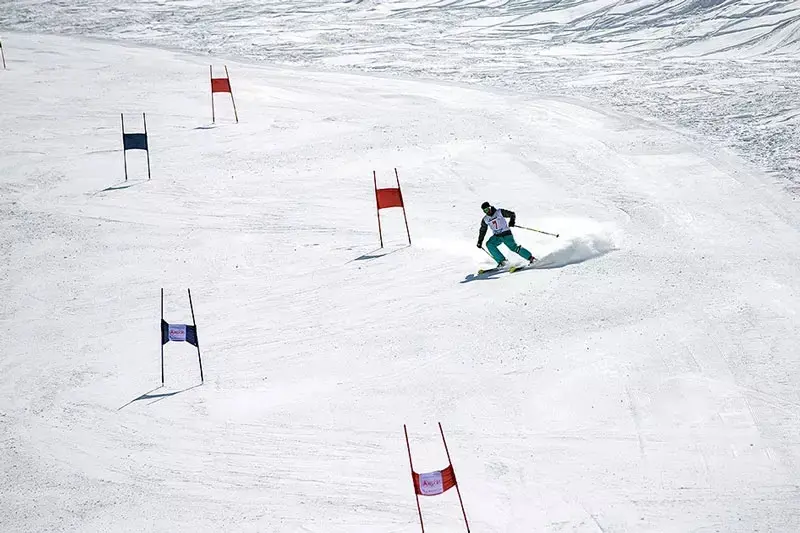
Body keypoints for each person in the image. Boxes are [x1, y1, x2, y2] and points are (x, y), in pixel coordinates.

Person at [477, 201, 536, 267]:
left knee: (514, 248)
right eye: (484, 211)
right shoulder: (485, 219)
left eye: (487, 209)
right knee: (489, 244)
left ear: (490, 207)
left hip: (506, 234)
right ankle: (502, 262)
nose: (487, 211)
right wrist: (480, 241)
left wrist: (512, 221)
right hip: (497, 236)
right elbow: (483, 230)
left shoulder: (499, 212)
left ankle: (531, 258)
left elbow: (512, 214)